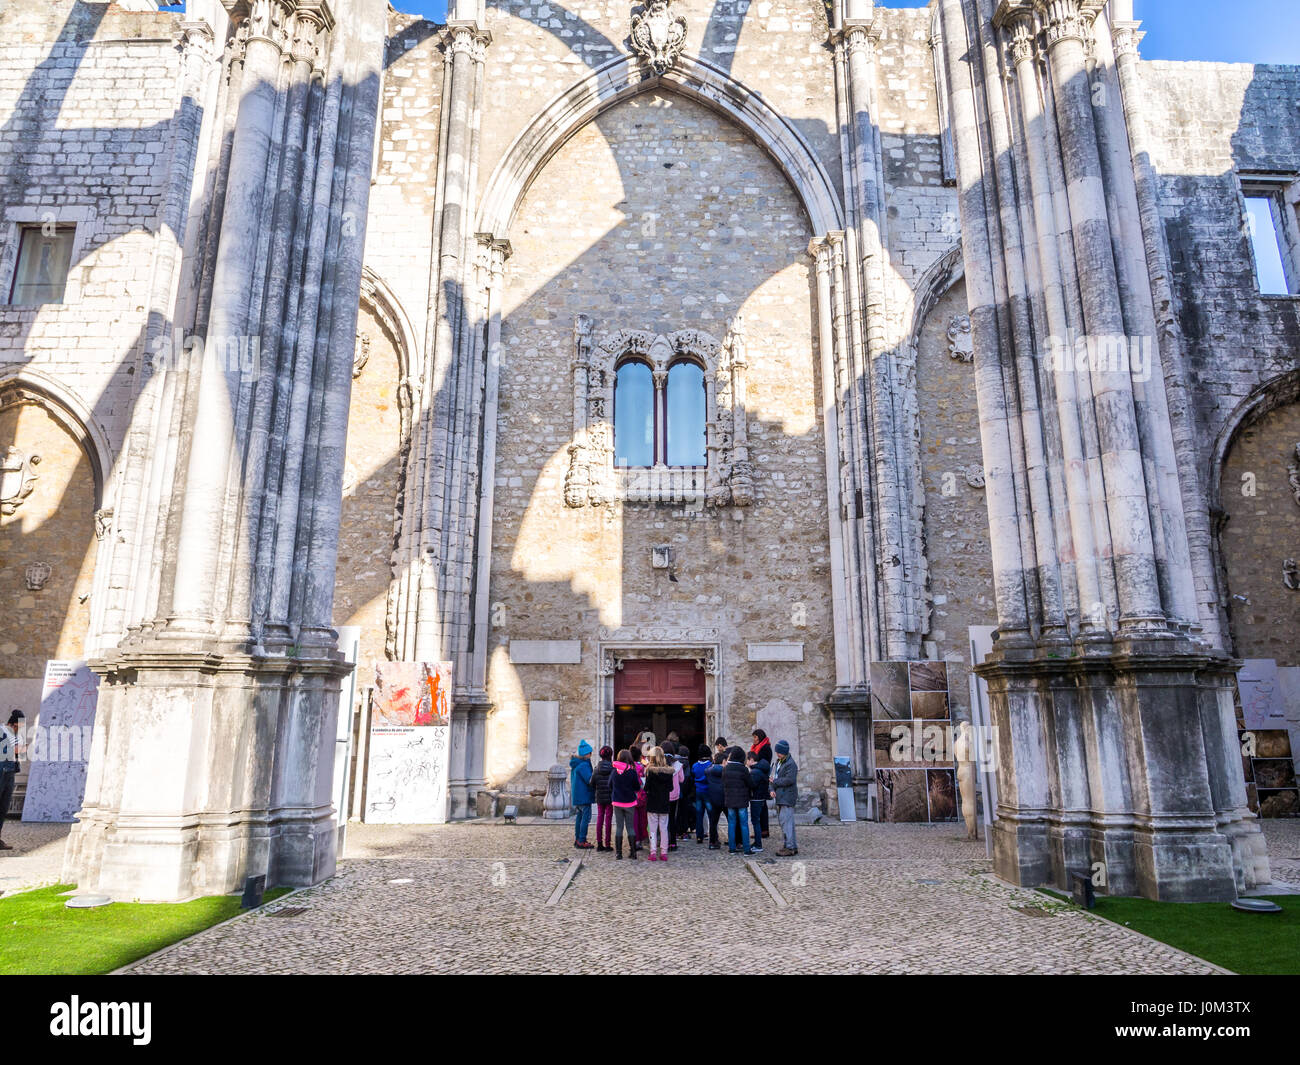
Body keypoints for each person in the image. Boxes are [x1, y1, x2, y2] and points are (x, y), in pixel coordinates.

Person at [643, 747, 675, 862]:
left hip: (652, 802)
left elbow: (646, 788)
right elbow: (671, 788)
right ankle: (664, 852)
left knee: (652, 829)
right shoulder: (669, 772)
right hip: (664, 803)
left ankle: (652, 852)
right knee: (664, 829)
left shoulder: (650, 771)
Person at [769, 739, 799, 856]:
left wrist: (775, 782)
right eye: (777, 752)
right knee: (785, 822)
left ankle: (790, 847)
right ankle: (790, 846)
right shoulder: (778, 762)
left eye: (779, 752)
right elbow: (772, 778)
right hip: (781, 796)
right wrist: (771, 789)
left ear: (785, 752)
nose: (777, 754)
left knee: (786, 822)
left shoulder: (791, 764)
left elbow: (789, 780)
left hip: (787, 796)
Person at [610, 748, 641, 860]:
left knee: (619, 827)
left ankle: (619, 853)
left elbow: (610, 785)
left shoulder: (614, 771)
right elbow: (637, 787)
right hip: (630, 802)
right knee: (630, 827)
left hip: (617, 802)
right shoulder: (632, 772)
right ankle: (633, 853)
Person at [722, 746, 753, 855]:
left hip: (730, 799)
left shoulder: (725, 768)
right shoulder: (743, 769)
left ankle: (732, 848)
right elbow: (750, 783)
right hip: (742, 800)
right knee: (744, 824)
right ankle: (747, 849)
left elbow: (724, 783)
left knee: (731, 824)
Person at [0, 710, 21, 852]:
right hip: (1, 772)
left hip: (10, 773)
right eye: (19, 727)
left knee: (3, 808)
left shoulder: (15, 735)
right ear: (13, 724)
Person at [569, 740, 595, 849]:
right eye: (590, 753)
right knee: (585, 818)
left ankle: (578, 838)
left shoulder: (576, 765)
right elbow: (589, 780)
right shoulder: (583, 765)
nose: (591, 755)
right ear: (586, 754)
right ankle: (582, 840)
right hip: (584, 796)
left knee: (579, 818)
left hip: (578, 797)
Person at [749, 729, 774, 841]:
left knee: (762, 806)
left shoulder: (765, 748)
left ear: (759, 737)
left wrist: (754, 765)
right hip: (759, 776)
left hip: (762, 778)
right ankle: (762, 830)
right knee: (762, 805)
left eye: (755, 737)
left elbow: (764, 764)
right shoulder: (757, 747)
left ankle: (763, 830)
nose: (753, 739)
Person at [591, 745, 615, 851]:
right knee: (608, 820)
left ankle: (599, 843)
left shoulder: (596, 769)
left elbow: (591, 783)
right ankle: (608, 843)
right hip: (610, 798)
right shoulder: (613, 769)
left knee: (600, 819)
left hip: (600, 797)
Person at [662, 739, 683, 851]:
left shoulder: (659, 764)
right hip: (674, 795)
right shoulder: (678, 765)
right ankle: (673, 843)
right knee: (672, 819)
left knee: (663, 819)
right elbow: (682, 779)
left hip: (662, 794)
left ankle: (663, 843)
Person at [746, 750, 769, 853]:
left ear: (751, 760)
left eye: (747, 760)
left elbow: (753, 785)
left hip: (756, 798)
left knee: (755, 822)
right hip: (760, 798)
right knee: (756, 821)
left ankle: (758, 844)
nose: (746, 762)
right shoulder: (759, 770)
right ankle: (757, 843)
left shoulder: (755, 772)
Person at [705, 752, 726, 849]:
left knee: (713, 822)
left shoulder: (708, 771)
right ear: (723, 761)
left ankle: (712, 842)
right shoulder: (726, 771)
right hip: (725, 799)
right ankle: (735, 842)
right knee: (732, 821)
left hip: (713, 799)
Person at [691, 744, 712, 843]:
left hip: (698, 791)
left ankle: (699, 836)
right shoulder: (710, 765)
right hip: (708, 791)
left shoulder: (695, 765)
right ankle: (712, 836)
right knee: (711, 814)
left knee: (699, 814)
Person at [630, 744, 649, 844]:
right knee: (642, 818)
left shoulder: (628, 768)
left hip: (632, 796)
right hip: (642, 795)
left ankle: (636, 839)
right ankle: (642, 837)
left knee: (634, 819)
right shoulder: (642, 767)